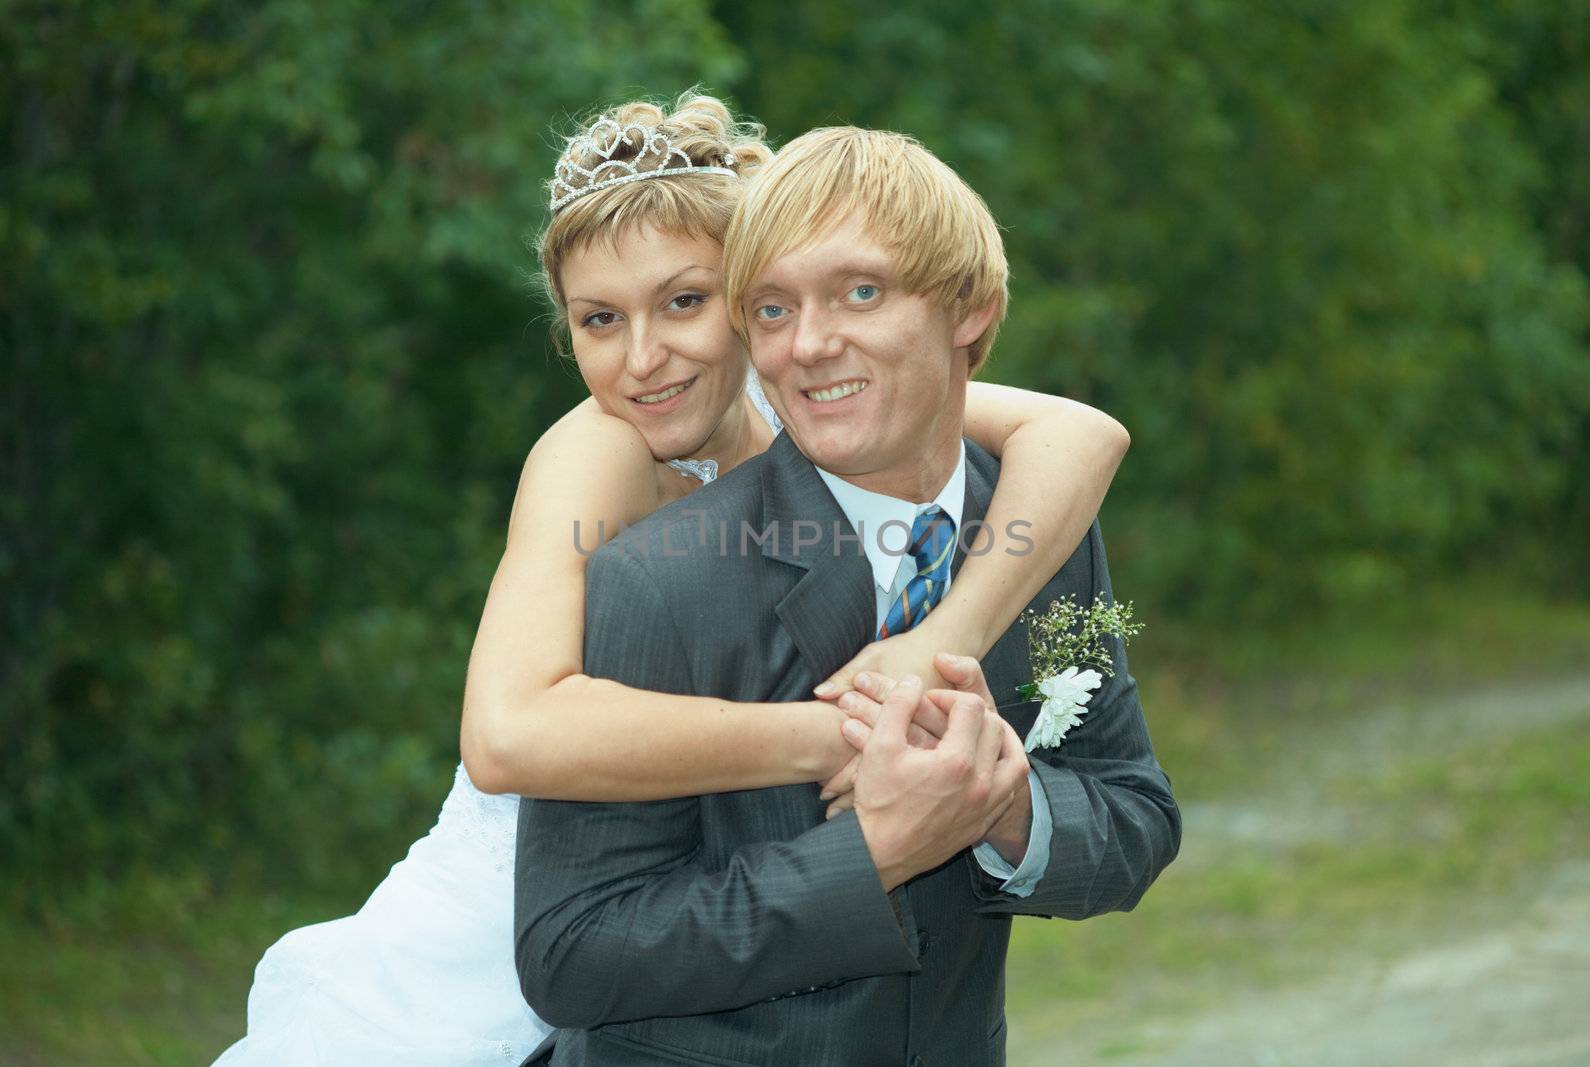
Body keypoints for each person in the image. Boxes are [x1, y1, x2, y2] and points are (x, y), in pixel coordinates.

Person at [215, 95, 1130, 1067]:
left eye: (683, 302)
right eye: (599, 320)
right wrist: (848, 732)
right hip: (485, 954)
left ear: (750, 298)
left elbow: (1080, 433)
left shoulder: (815, 409)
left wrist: (932, 642)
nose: (643, 357)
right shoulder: (599, 452)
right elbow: (506, 733)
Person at [513, 124, 1181, 1066]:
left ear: (970, 313)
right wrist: (873, 854)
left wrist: (1004, 806)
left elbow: (1137, 816)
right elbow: (571, 955)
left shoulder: (1034, 534)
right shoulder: (656, 576)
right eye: (775, 310)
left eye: (860, 292)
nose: (811, 345)